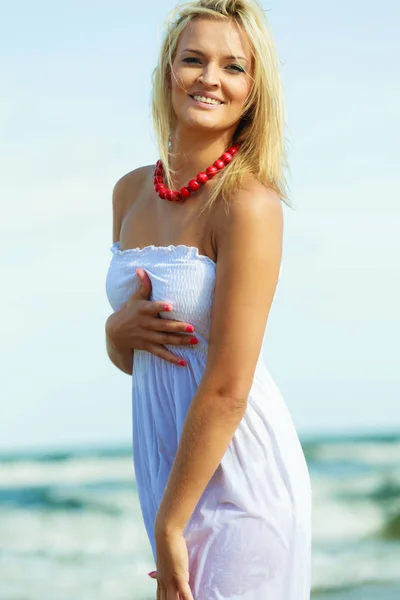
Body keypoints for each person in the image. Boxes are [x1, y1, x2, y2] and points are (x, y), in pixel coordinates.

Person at [105, 0, 312, 598]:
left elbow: (227, 384)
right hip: (169, 477)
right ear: (168, 70)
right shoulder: (128, 193)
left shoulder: (249, 205)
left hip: (241, 485)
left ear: (254, 90)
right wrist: (114, 335)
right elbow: (147, 356)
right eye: (193, 59)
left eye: (233, 67)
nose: (210, 79)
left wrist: (171, 525)